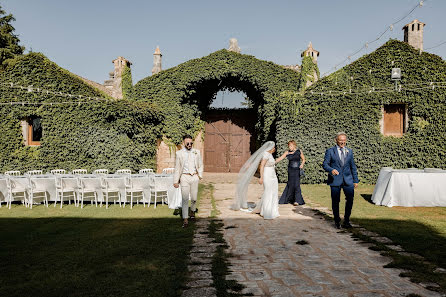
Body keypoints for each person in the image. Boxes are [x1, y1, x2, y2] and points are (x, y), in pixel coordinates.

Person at [231, 141, 279, 220]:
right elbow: (262, 166)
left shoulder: (270, 155)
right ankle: (266, 211)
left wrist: (284, 155)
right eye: (273, 147)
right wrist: (261, 177)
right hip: (267, 175)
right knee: (268, 191)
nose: (274, 149)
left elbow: (274, 162)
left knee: (273, 191)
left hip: (273, 175)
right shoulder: (266, 154)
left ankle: (272, 210)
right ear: (271, 148)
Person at [323, 132, 359, 229]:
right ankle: (337, 221)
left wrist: (355, 180)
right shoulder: (330, 151)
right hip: (335, 180)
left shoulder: (349, 151)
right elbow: (325, 164)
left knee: (350, 200)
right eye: (340, 140)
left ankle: (346, 221)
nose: (342, 142)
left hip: (348, 180)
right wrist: (331, 170)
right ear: (336, 140)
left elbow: (353, 166)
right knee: (335, 201)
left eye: (344, 140)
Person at [173, 135, 203, 228]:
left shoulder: (196, 152)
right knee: (185, 199)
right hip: (184, 177)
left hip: (194, 176)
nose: (190, 145)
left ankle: (192, 212)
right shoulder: (179, 154)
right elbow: (177, 168)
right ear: (184, 143)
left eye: (191, 143)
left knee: (194, 198)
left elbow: (200, 164)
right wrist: (176, 181)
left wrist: (199, 175)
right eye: (188, 143)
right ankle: (185, 220)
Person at [277, 140, 306, 206]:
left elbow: (304, 159)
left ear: (294, 145)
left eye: (291, 146)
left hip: (297, 170)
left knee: (296, 185)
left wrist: (302, 164)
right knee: (290, 184)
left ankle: (297, 200)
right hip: (290, 170)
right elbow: (281, 158)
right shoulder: (287, 152)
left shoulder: (299, 151)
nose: (290, 147)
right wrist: (273, 162)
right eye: (289, 146)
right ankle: (289, 199)